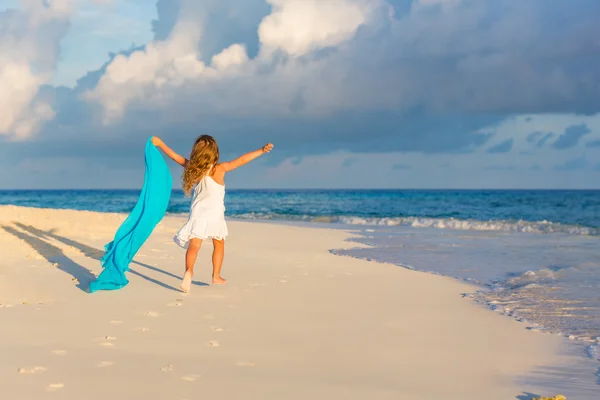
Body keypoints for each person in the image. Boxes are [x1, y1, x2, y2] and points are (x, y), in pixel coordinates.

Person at [151, 135, 274, 293]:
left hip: (198, 213)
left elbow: (176, 158)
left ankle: (188, 272)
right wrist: (261, 150)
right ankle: (216, 275)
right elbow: (242, 160)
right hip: (215, 214)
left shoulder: (194, 169)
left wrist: (160, 143)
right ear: (214, 153)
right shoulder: (219, 169)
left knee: (194, 246)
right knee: (219, 243)